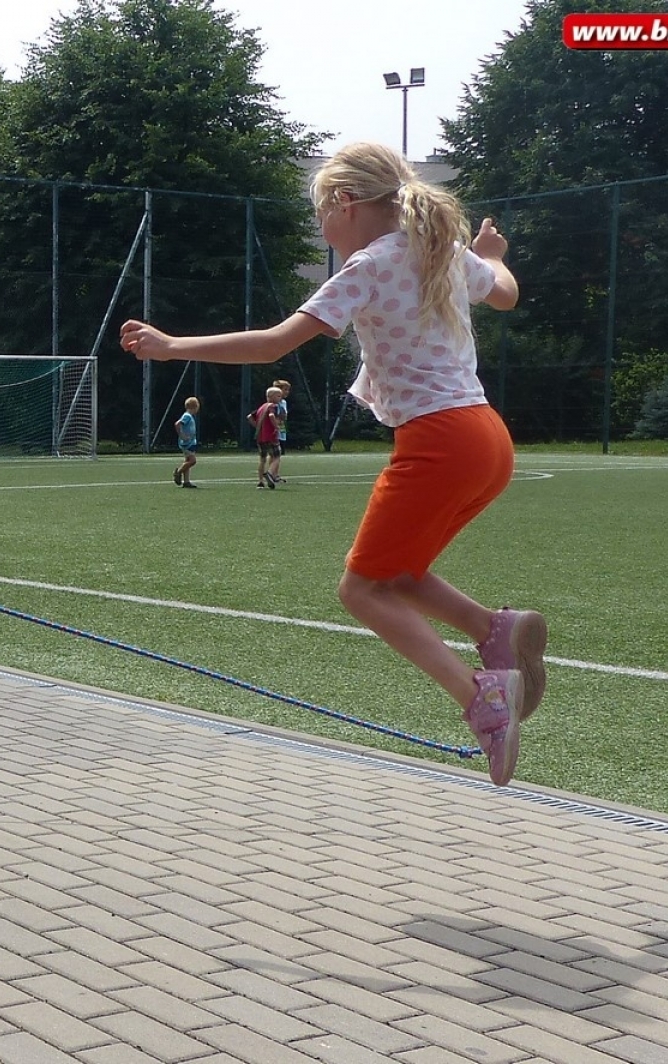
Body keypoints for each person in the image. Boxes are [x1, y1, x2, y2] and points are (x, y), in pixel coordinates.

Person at [119, 142, 547, 786]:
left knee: (359, 589)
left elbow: (272, 346)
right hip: (487, 439)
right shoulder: (442, 252)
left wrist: (172, 344)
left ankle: (479, 696)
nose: (322, 231)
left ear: (346, 203)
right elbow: (508, 295)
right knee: (398, 575)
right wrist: (491, 257)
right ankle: (494, 628)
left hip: (437, 441)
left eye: (321, 216)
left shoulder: (370, 265)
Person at [249, 386, 285, 489]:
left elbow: (249, 417)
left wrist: (257, 426)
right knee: (277, 456)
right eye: (278, 396)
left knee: (262, 459)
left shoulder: (261, 407)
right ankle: (269, 473)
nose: (280, 398)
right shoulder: (273, 406)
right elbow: (271, 416)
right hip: (271, 436)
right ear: (271, 396)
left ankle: (260, 482)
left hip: (260, 438)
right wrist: (276, 426)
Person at [269, 377, 293, 484]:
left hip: (281, 431)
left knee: (276, 454)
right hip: (276, 431)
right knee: (276, 455)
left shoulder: (284, 402)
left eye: (288, 390)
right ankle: (273, 474)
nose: (287, 392)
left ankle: (273, 473)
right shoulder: (274, 404)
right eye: (285, 389)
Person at [174, 397, 201, 488]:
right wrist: (182, 435)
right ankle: (179, 472)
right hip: (187, 443)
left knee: (187, 461)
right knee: (192, 461)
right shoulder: (187, 416)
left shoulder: (189, 416)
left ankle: (186, 481)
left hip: (190, 443)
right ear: (195, 407)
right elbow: (178, 424)